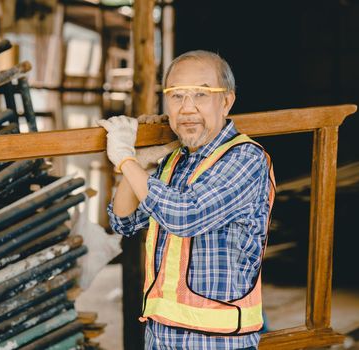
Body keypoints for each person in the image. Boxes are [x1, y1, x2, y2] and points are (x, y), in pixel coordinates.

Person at [97, 50, 275, 350]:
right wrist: (137, 164)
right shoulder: (176, 159)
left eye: (201, 95)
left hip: (218, 342)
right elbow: (124, 221)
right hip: (161, 336)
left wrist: (125, 159)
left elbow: (184, 217)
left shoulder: (246, 158)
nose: (187, 108)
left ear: (226, 101)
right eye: (177, 96)